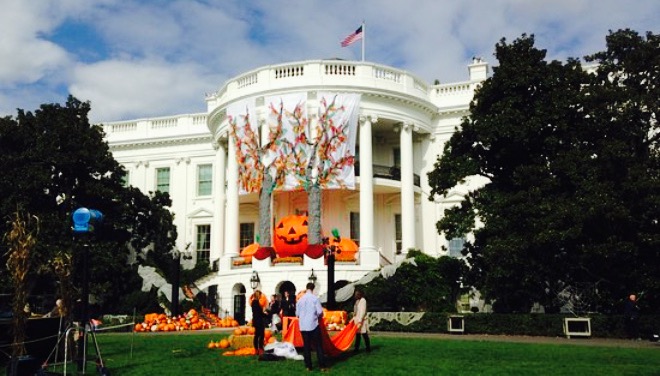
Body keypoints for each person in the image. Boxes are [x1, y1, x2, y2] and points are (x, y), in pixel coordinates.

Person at [296, 282, 327, 372]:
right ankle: (322, 366)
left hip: (303, 326)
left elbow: (297, 314)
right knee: (318, 346)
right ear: (313, 289)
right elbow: (320, 312)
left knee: (306, 346)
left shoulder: (300, 300)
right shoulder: (314, 298)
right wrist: (318, 317)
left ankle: (308, 366)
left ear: (306, 288)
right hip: (313, 324)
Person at [352, 288, 371, 353]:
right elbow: (355, 311)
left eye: (357, 294)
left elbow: (363, 311)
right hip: (357, 320)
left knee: (364, 333)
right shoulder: (357, 301)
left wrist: (360, 321)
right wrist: (353, 319)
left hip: (362, 320)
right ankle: (356, 348)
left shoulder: (363, 301)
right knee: (358, 334)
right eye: (355, 294)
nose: (355, 295)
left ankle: (368, 348)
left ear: (360, 294)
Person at [250, 290, 267, 355]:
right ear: (258, 295)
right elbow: (260, 313)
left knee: (256, 335)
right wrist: (266, 314)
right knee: (261, 335)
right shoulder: (257, 303)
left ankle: (256, 349)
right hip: (259, 320)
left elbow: (256, 312)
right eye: (260, 295)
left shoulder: (253, 302)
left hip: (255, 320)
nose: (261, 296)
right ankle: (260, 348)